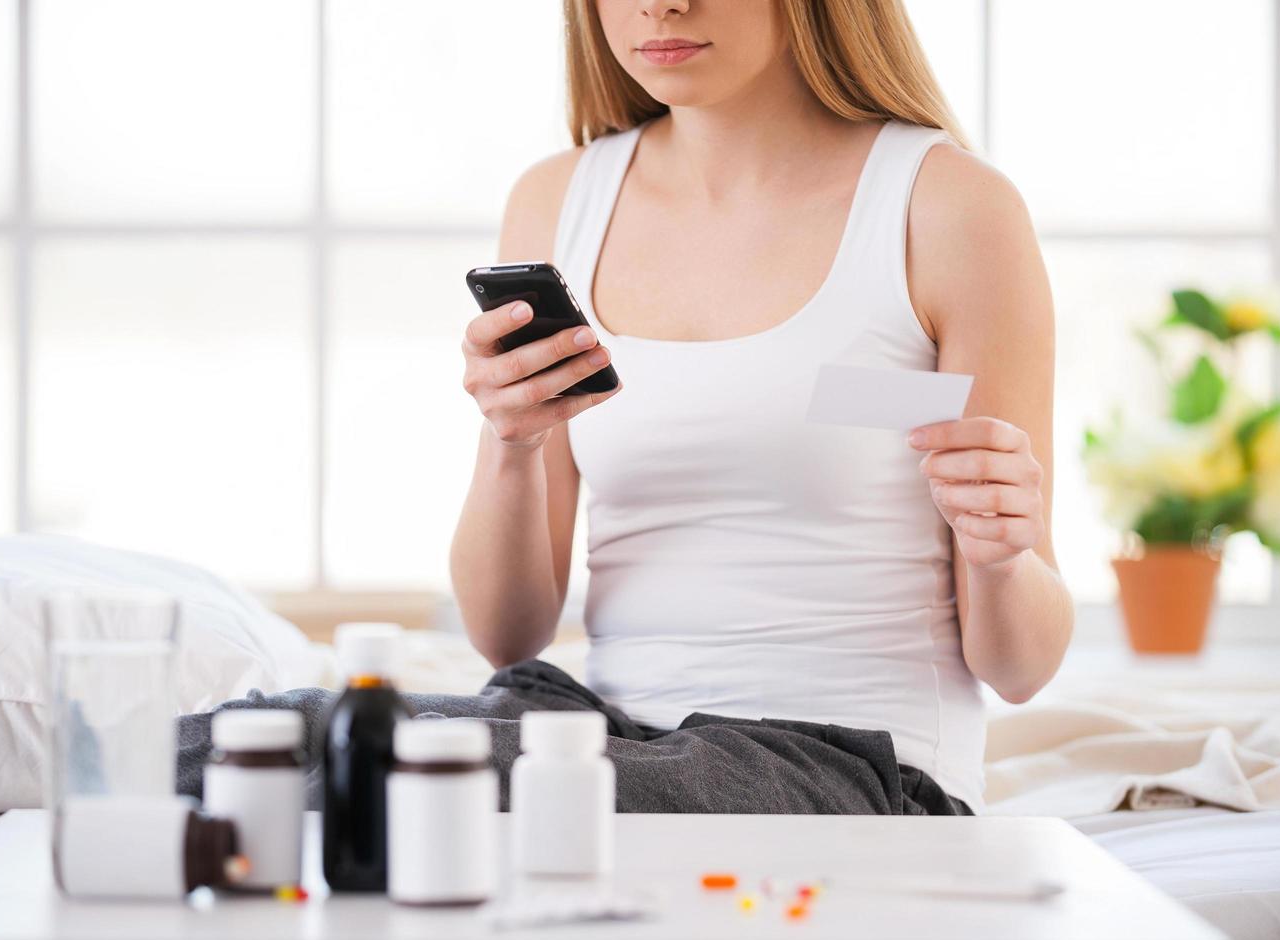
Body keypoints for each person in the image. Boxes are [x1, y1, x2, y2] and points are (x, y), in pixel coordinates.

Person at [179, 0, 1072, 817]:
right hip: (606, 733)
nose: (660, 6)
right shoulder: (558, 199)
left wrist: (998, 557)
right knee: (235, 744)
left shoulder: (948, 205)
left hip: (855, 762)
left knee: (434, 778)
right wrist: (512, 444)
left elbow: (1022, 667)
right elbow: (506, 636)